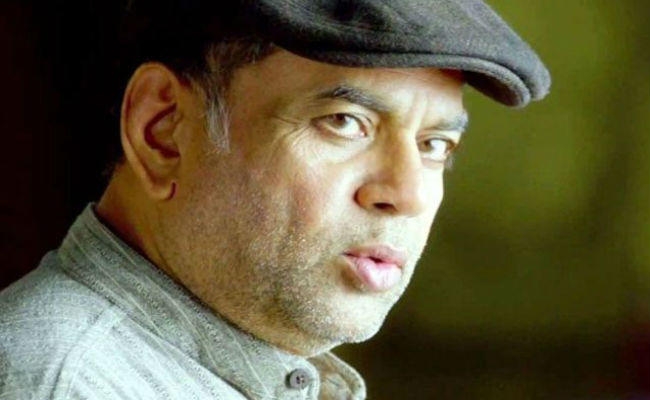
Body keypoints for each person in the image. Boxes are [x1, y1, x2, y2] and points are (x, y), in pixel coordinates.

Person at [0, 1, 550, 399]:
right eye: (344, 122)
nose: (406, 195)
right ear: (163, 132)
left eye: (435, 145)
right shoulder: (65, 385)